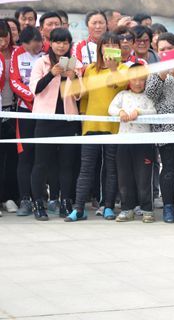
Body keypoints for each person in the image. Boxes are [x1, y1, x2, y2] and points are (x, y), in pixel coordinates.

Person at [66, 33, 128, 222]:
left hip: (113, 127)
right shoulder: (90, 69)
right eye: (106, 44)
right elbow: (83, 97)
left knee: (111, 168)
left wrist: (113, 69)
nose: (109, 47)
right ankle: (78, 208)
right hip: (91, 126)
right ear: (99, 48)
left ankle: (108, 206)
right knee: (86, 168)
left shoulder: (124, 68)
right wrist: (73, 80)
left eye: (114, 45)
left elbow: (121, 84)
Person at [29, 28, 82, 220]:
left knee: (67, 164)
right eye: (58, 42)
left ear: (70, 45)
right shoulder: (40, 63)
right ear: (50, 43)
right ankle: (38, 204)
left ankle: (65, 203)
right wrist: (52, 74)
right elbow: (35, 89)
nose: (61, 46)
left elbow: (79, 95)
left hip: (68, 120)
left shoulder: (75, 65)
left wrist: (73, 77)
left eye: (65, 42)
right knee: (41, 164)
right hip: (45, 120)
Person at [146, 33, 174, 223]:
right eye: (162, 49)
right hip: (167, 129)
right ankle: (167, 208)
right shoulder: (155, 69)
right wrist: (161, 76)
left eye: (169, 48)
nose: (165, 52)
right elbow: (150, 94)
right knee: (169, 170)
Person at [108, 64, 157, 223]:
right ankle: (126, 209)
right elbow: (111, 108)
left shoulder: (149, 97)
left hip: (144, 144)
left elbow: (154, 112)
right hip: (124, 142)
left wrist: (139, 112)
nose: (138, 83)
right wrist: (121, 112)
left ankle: (147, 209)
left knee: (144, 178)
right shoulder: (122, 95)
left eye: (142, 79)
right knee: (124, 177)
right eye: (134, 79)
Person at [10, 26, 45, 216]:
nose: (35, 47)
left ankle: (42, 198)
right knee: (25, 156)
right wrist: (32, 97)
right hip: (25, 111)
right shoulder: (17, 54)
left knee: (42, 156)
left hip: (45, 111)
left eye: (37, 43)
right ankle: (25, 199)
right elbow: (14, 81)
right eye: (30, 45)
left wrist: (41, 99)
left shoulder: (48, 51)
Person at [0, 20, 19, 215]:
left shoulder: (17, 53)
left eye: (5, 34)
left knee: (11, 156)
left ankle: (9, 196)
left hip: (11, 109)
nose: (3, 40)